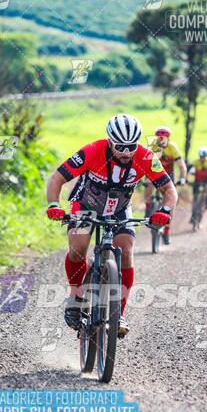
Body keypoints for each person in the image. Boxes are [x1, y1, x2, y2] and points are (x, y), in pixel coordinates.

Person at [46, 113, 178, 336]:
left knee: (126, 250)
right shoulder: (92, 150)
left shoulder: (145, 156)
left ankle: (119, 314)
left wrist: (164, 211)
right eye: (120, 147)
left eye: (131, 147)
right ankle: (76, 294)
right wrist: (53, 204)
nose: (126, 153)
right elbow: (57, 178)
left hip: (119, 208)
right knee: (78, 247)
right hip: (86, 204)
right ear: (109, 141)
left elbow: (169, 189)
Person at [144, 126, 186, 245]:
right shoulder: (153, 146)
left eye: (164, 138)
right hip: (154, 173)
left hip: (168, 176)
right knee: (148, 185)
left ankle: (167, 231)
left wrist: (182, 179)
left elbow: (181, 165)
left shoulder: (172, 147)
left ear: (168, 138)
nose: (162, 140)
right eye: (159, 137)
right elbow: (145, 163)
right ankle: (148, 208)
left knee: (171, 202)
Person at [188, 148, 207, 220]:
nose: (202, 159)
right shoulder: (196, 162)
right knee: (194, 197)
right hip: (197, 180)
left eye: (203, 157)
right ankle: (193, 214)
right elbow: (188, 168)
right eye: (201, 157)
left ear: (205, 157)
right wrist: (185, 178)